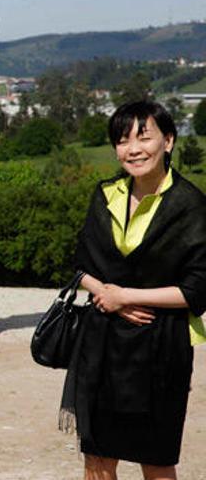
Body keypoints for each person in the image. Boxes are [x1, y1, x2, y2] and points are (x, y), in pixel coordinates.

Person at [62, 100, 206, 479]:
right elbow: (81, 264)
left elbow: (196, 291)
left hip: (161, 347)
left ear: (169, 141)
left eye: (144, 137)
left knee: (156, 460)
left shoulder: (190, 206)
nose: (133, 149)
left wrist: (126, 296)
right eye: (123, 140)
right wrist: (108, 295)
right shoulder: (106, 194)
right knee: (97, 457)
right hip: (103, 343)